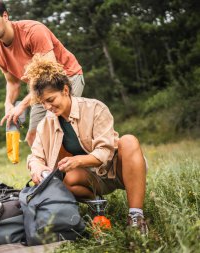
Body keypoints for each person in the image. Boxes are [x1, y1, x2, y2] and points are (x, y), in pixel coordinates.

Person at [24, 56, 148, 235]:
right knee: (66, 179)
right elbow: (35, 156)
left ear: (65, 90)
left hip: (116, 171)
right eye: (43, 103)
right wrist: (37, 167)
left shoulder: (95, 108)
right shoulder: (46, 123)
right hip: (91, 179)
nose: (48, 106)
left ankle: (136, 216)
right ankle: (97, 205)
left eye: (51, 99)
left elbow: (105, 151)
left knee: (128, 140)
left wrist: (79, 161)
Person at [0, 0, 85, 146]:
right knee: (33, 137)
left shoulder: (33, 31)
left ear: (5, 16)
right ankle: (50, 169)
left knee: (53, 128)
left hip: (67, 77)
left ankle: (87, 160)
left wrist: (22, 106)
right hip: (40, 89)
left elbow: (50, 74)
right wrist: (8, 104)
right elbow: (13, 82)